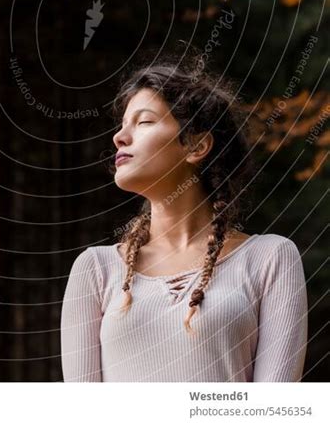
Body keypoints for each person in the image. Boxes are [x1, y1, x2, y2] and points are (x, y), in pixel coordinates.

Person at [60, 54, 308, 382]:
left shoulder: (270, 260)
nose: (120, 137)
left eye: (144, 121)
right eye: (122, 125)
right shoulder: (95, 270)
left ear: (196, 145)